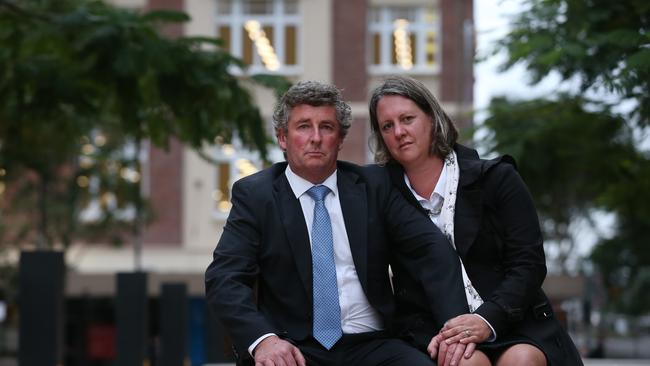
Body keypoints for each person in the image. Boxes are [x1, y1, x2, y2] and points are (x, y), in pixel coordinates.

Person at [205, 80, 469, 366]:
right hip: (293, 348)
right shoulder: (256, 196)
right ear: (283, 138)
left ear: (340, 139)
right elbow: (225, 278)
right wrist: (264, 340)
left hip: (373, 344)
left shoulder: (374, 186)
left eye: (327, 128)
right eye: (304, 126)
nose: (316, 138)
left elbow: (431, 250)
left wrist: (455, 326)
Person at [368, 76, 584, 366]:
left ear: (432, 119)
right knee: (467, 362)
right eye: (387, 126)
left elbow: (528, 264)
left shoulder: (497, 179)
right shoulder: (383, 196)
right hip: (435, 329)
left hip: (512, 319)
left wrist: (486, 320)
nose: (399, 132)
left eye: (408, 118)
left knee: (521, 360)